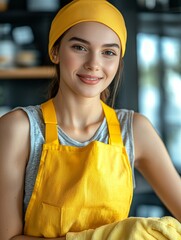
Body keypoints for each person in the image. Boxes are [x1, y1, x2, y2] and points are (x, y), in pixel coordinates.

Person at [0, 0, 181, 239]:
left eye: (108, 52)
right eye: (80, 47)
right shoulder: (18, 129)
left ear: (118, 61)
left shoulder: (136, 130)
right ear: (55, 51)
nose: (94, 64)